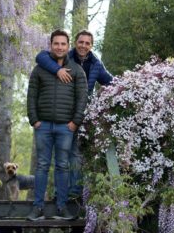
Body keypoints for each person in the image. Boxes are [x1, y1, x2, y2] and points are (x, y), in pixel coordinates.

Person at [35, 30, 113, 198]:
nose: (83, 45)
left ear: (91, 46)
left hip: (81, 116)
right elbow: (40, 57)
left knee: (75, 154)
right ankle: (59, 193)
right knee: (59, 158)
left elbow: (111, 82)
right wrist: (57, 70)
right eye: (81, 42)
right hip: (61, 115)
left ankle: (75, 192)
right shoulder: (63, 57)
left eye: (87, 43)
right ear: (75, 43)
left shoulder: (96, 64)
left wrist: (131, 85)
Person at [27, 29, 88, 221]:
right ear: (51, 45)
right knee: (42, 166)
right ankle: (38, 207)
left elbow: (82, 99)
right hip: (43, 126)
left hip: (65, 128)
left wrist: (74, 123)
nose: (60, 47)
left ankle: (62, 207)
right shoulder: (39, 70)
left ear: (68, 47)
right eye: (56, 44)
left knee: (62, 166)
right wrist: (34, 120)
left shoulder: (77, 71)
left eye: (63, 44)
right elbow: (31, 97)